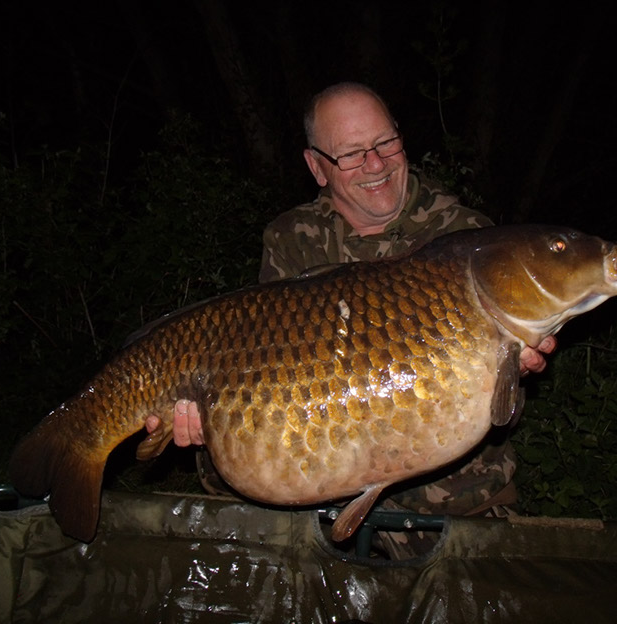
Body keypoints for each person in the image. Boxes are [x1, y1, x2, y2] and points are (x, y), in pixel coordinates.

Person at [146, 82, 555, 557]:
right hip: (322, 494)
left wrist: (516, 367)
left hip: (457, 500)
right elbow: (262, 376)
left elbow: (505, 412)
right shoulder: (290, 241)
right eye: (352, 154)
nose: (376, 164)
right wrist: (212, 417)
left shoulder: (468, 239)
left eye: (385, 143)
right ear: (317, 167)